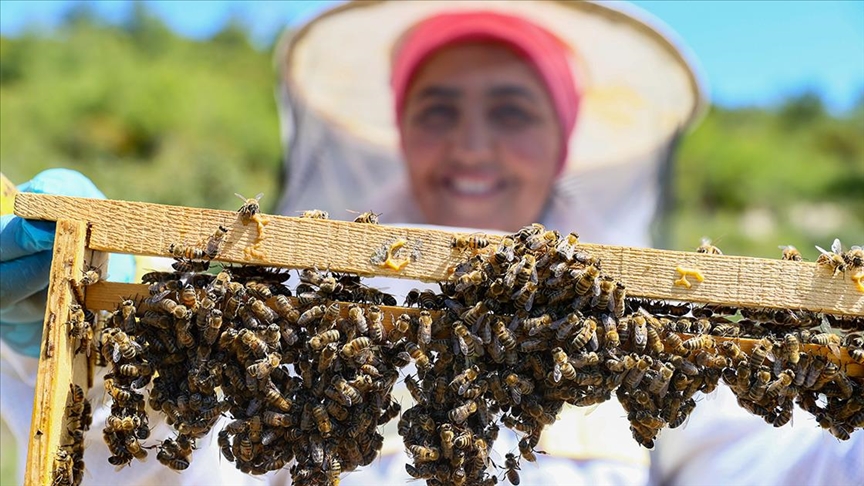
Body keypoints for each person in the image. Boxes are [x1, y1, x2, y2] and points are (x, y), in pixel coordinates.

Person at [1, 2, 861, 485]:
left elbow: (769, 465)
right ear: (400, 132)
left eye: (513, 111)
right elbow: (174, 470)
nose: (473, 146)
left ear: (565, 141)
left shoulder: (659, 320)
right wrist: (73, 351)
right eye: (438, 110)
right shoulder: (306, 302)